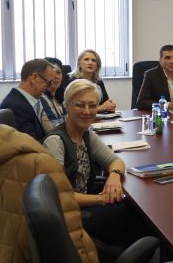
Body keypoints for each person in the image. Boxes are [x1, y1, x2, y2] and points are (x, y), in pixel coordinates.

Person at [43, 79, 142, 249]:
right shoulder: (55, 142)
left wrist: (114, 176)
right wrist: (100, 199)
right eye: (80, 105)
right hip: (71, 217)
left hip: (86, 203)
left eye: (92, 105)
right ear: (67, 106)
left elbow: (115, 161)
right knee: (136, 215)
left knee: (135, 209)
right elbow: (59, 195)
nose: (87, 111)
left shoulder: (86, 134)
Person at [0, 58, 56, 140]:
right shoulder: (17, 107)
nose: (49, 88)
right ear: (34, 78)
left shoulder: (23, 100)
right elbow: (32, 143)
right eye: (49, 83)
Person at [40, 61, 66, 132]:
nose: (56, 77)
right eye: (52, 73)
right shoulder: (41, 98)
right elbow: (54, 130)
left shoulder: (60, 96)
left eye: (58, 73)